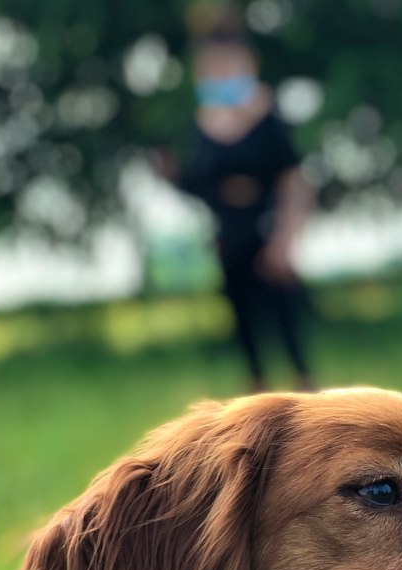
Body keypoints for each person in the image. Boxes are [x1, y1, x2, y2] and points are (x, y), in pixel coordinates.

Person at [162, 15, 314, 390]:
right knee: (245, 331)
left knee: (288, 329)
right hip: (229, 238)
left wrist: (284, 240)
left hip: (269, 234)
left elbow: (294, 181)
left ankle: (310, 407)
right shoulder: (198, 128)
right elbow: (199, 185)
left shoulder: (271, 122)